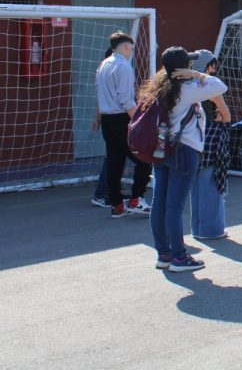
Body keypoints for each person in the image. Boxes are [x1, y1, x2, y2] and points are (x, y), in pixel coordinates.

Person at [147, 46, 228, 272]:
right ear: (185, 67)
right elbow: (220, 86)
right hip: (183, 150)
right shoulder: (187, 87)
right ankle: (179, 257)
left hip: (162, 148)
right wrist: (198, 75)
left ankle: (164, 253)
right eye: (190, 64)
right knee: (174, 205)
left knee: (159, 203)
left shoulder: (159, 87)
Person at [96, 31, 153, 218]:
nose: (131, 52)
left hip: (107, 119)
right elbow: (126, 100)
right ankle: (136, 198)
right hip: (122, 119)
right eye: (131, 48)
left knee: (115, 162)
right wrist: (139, 120)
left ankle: (117, 205)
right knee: (144, 158)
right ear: (127, 47)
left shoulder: (103, 65)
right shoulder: (124, 66)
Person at [190, 50, 232, 240]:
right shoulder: (210, 86)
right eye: (213, 65)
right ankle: (212, 230)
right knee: (212, 184)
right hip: (212, 138)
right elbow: (227, 116)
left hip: (192, 138)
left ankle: (197, 228)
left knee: (196, 188)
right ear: (207, 67)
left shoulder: (187, 85)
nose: (215, 68)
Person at [91, 47, 114, 208]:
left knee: (115, 157)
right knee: (112, 158)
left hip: (112, 119)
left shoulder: (106, 72)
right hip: (113, 119)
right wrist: (98, 120)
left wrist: (98, 119)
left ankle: (110, 191)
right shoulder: (108, 73)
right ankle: (101, 194)